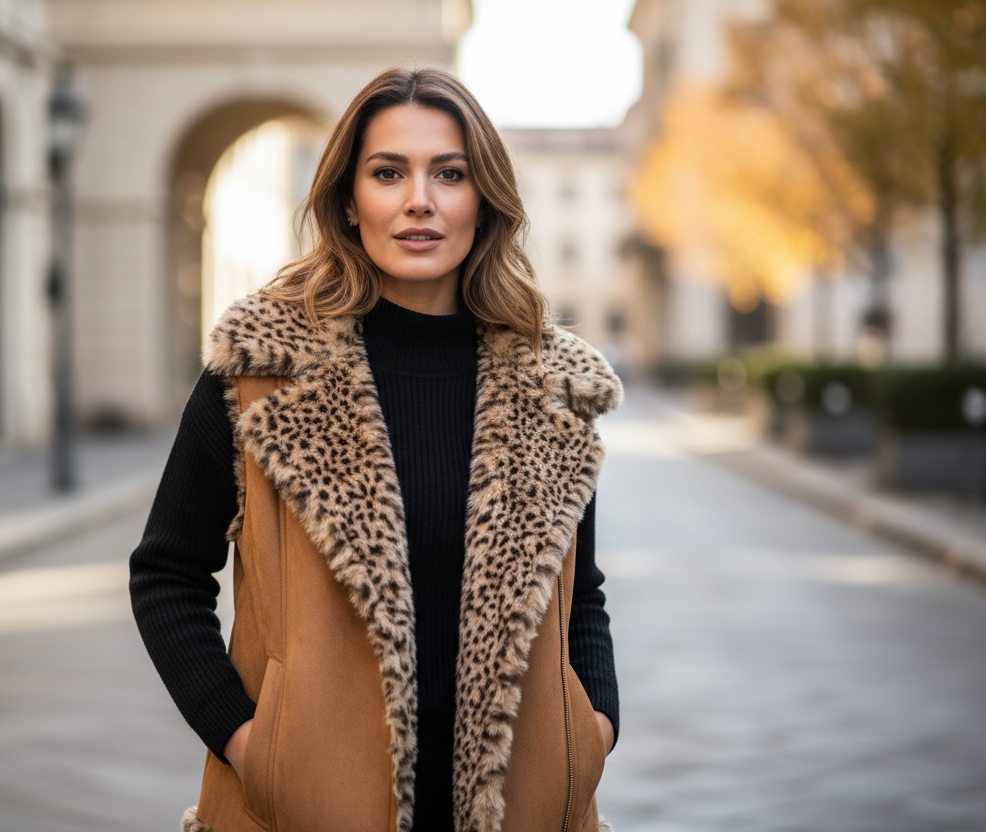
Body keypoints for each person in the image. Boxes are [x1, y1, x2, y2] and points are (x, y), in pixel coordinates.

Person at [130, 66, 623, 832]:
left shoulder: (551, 387)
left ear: (482, 202)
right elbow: (166, 571)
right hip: (305, 807)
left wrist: (591, 734)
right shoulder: (262, 373)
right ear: (350, 202)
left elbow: (579, 593)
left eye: (449, 174)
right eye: (388, 172)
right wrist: (249, 742)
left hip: (523, 808)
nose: (418, 199)